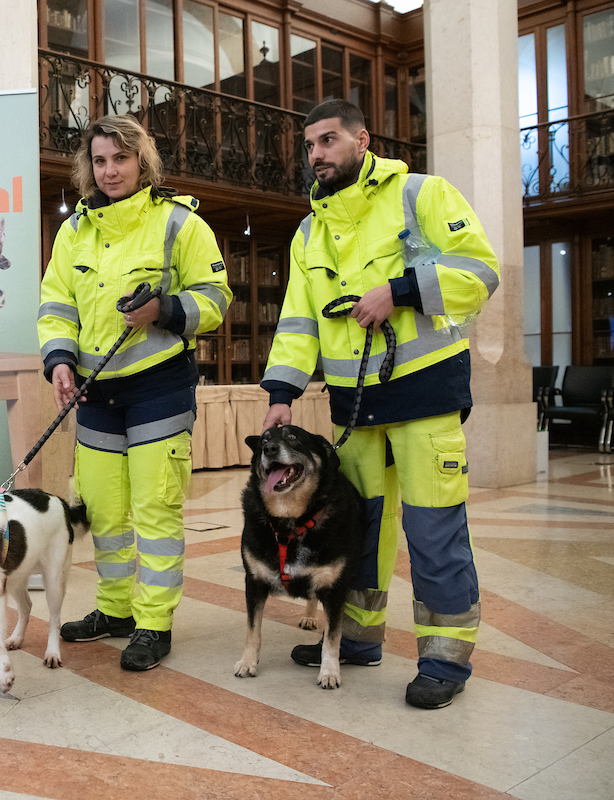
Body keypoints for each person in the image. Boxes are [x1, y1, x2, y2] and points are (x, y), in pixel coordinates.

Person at [260, 100, 500, 710]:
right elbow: (296, 321)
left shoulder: (421, 196)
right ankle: (358, 637)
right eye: (310, 144)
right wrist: (282, 394)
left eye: (329, 140)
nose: (318, 154)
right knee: (356, 529)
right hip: (354, 409)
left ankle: (444, 656)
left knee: (432, 527)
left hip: (424, 396)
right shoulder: (308, 231)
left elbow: (479, 270)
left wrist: (398, 291)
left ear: (362, 139)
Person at [37, 115, 231, 671]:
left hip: (159, 390)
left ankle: (153, 623)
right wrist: (59, 361)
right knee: (106, 513)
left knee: (155, 512)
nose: (110, 170)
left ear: (141, 161)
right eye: (99, 160)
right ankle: (115, 610)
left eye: (120, 159)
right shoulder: (73, 231)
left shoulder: (178, 225)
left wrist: (164, 310)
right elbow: (56, 306)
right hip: (96, 395)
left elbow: (216, 298)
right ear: (88, 168)